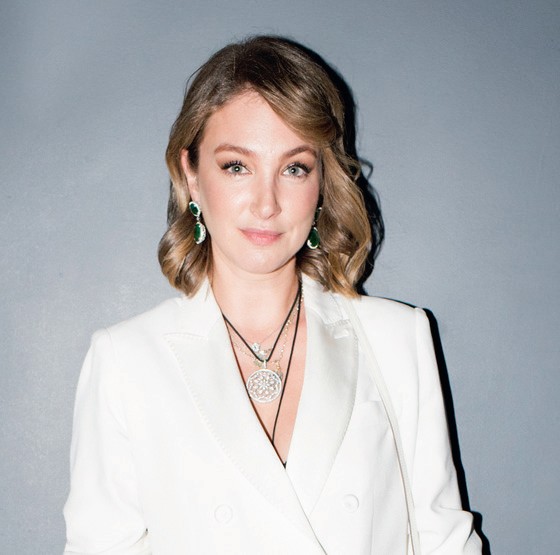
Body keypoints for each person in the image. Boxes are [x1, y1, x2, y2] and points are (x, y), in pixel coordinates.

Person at [63, 36, 482, 554]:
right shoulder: (127, 361)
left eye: (294, 168)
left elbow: (447, 544)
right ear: (191, 175)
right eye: (237, 166)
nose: (267, 204)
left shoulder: (398, 339)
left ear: (322, 183)